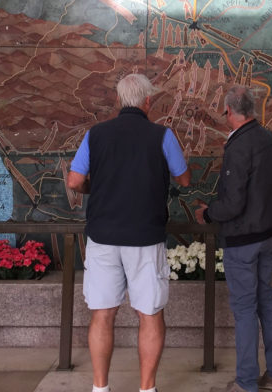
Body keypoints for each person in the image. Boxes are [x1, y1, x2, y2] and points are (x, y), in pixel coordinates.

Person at [67, 73, 190, 392]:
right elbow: (185, 179)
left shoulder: (96, 134)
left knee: (102, 315)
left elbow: (74, 181)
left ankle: (99, 387)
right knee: (149, 314)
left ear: (120, 100)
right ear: (148, 101)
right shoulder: (162, 135)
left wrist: (102, 184)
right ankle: (147, 388)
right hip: (145, 238)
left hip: (103, 237)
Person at [195, 85, 272, 392]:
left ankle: (246, 383)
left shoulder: (238, 146)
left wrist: (209, 214)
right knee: (266, 302)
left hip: (243, 240)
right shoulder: (267, 138)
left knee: (246, 309)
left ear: (229, 112)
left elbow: (234, 203)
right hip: (266, 236)